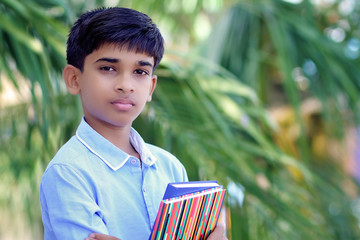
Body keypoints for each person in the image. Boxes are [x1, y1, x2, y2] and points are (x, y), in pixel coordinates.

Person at [40, 7, 227, 240]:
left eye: (140, 71)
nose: (126, 85)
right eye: (108, 68)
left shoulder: (170, 167)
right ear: (74, 79)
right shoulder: (68, 173)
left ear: (151, 87)